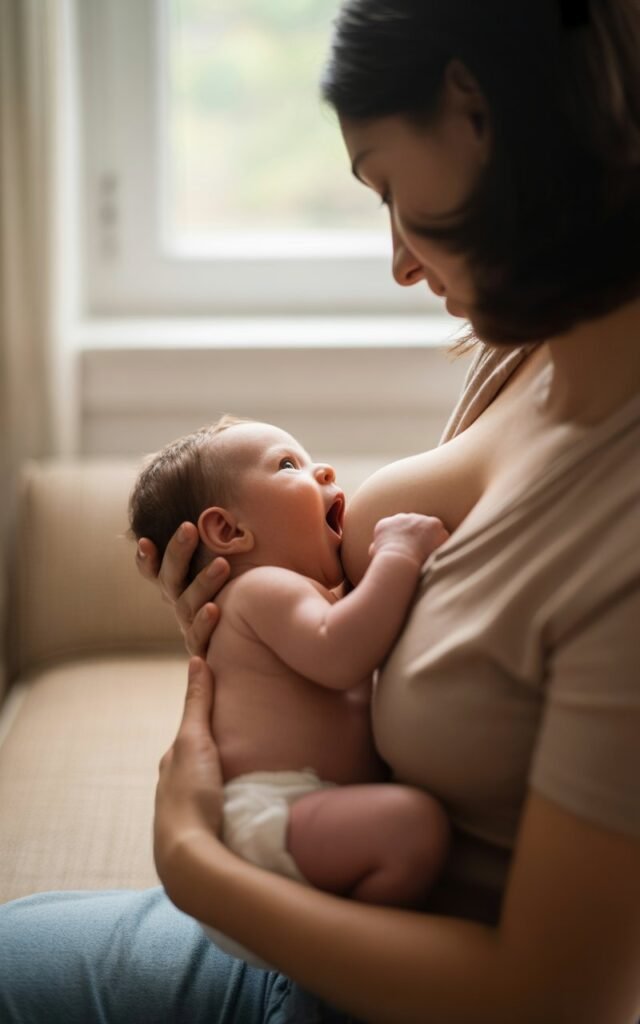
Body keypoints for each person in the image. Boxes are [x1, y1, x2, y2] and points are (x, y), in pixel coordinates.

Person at [1, 0, 639, 1021]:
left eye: (389, 184)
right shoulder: (533, 346)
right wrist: (237, 632)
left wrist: (195, 865)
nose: (396, 258)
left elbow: (557, 996)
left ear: (476, 111)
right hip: (289, 913)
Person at [127, 415, 450, 965]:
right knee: (410, 828)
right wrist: (399, 554)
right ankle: (337, 982)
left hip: (295, 817)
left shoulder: (294, 595)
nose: (322, 468)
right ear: (229, 532)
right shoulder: (263, 589)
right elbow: (342, 654)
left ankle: (333, 968)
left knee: (405, 832)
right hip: (270, 815)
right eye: (287, 465)